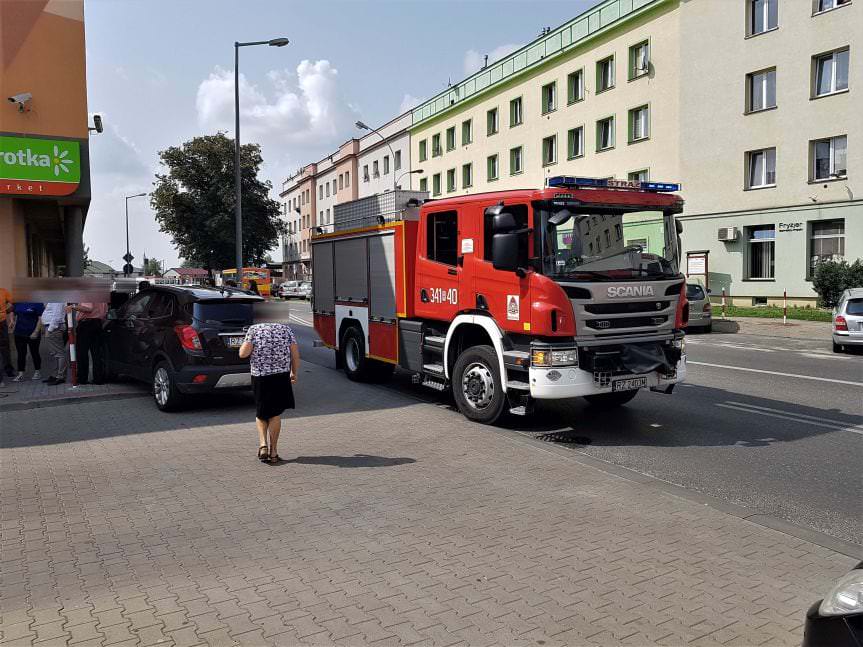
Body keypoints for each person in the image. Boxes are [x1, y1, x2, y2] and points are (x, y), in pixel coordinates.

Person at [239, 321, 299, 464]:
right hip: (281, 377)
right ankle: (274, 453)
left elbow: (243, 353)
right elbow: (295, 355)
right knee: (275, 413)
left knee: (261, 413)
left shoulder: (254, 329)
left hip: (260, 377)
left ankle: (263, 445)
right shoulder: (286, 329)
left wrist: (243, 344)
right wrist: (293, 373)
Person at [66, 302, 107, 384]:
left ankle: (82, 378)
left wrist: (73, 306)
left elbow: (88, 308)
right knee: (97, 353)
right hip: (97, 323)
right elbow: (104, 312)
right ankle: (98, 378)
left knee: (82, 353)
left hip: (86, 324)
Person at [11, 302, 45, 381]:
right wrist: (12, 320)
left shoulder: (37, 303)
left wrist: (36, 331)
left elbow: (41, 318)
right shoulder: (18, 302)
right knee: (21, 354)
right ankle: (20, 374)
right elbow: (13, 311)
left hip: (32, 333)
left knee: (34, 352)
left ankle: (37, 372)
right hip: (19, 333)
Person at [41, 302, 68, 385]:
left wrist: (50, 329)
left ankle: (60, 376)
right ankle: (55, 375)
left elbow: (57, 316)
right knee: (54, 353)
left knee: (59, 353)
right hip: (51, 327)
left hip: (53, 328)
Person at [0, 286, 13, 380]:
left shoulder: (3, 291)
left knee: (5, 347)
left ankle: (8, 369)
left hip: (2, 323)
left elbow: (13, 303)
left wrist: (7, 311)